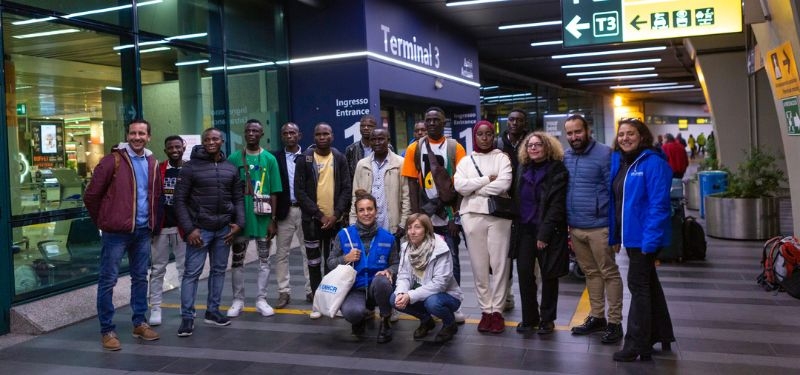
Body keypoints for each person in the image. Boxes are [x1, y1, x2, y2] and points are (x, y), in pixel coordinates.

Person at [84, 119, 162, 351]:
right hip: (115, 233)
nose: (137, 137)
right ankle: (107, 330)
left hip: (141, 231)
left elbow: (154, 196)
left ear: (149, 137)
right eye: (133, 133)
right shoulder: (112, 161)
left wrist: (152, 224)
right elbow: (91, 196)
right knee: (108, 280)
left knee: (140, 278)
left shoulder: (152, 162)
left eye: (142, 133)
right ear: (127, 135)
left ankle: (139, 323)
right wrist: (104, 221)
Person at [609, 118, 675, 362]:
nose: (625, 138)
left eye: (630, 133)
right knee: (648, 285)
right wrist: (616, 235)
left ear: (642, 136)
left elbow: (659, 205)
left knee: (638, 286)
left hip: (646, 238)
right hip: (632, 237)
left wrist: (650, 242)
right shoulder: (622, 162)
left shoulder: (653, 163)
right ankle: (661, 333)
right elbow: (617, 203)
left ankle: (636, 344)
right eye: (621, 134)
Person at [174, 128, 244, 337]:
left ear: (222, 141)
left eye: (215, 139)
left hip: (224, 229)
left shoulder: (230, 168)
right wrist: (189, 230)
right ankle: (187, 317)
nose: (211, 142)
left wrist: (239, 223)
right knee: (191, 274)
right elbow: (179, 201)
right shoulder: (190, 168)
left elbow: (238, 198)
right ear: (202, 142)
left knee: (219, 271)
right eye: (207, 139)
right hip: (200, 231)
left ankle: (213, 312)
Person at [401, 106, 467, 323]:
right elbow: (411, 181)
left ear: (444, 122)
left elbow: (460, 183)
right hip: (426, 215)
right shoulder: (415, 148)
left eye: (436, 120)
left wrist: (455, 216)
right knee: (424, 261)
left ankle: (452, 304)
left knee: (452, 259)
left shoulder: (454, 147)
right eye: (428, 120)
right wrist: (416, 216)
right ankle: (427, 302)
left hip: (448, 216)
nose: (431, 124)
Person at [563, 115, 623, 344]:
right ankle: (597, 317)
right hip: (576, 226)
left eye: (577, 132)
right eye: (569, 133)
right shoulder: (566, 156)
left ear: (588, 130)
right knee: (590, 273)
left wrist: (616, 230)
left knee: (609, 273)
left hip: (601, 227)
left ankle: (615, 322)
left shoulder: (606, 154)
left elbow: (616, 192)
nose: (574, 137)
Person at [454, 120, 513, 333]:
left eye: (489, 134)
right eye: (481, 134)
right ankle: (485, 311)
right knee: (479, 267)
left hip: (498, 217)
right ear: (474, 136)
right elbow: (460, 186)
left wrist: (475, 188)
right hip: (471, 216)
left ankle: (497, 311)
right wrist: (487, 179)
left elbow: (504, 184)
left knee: (499, 265)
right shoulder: (466, 161)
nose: (485, 138)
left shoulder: (502, 158)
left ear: (493, 135)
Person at [510, 131, 569, 335]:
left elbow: (556, 205)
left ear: (547, 148)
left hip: (548, 230)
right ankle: (529, 318)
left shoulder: (557, 169)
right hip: (525, 229)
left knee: (549, 275)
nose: (533, 148)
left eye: (538, 145)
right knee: (525, 273)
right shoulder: (522, 169)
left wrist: (544, 234)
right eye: (530, 145)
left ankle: (547, 319)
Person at [295, 122, 352, 318]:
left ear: (332, 136)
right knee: (313, 263)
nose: (322, 137)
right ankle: (318, 304)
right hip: (312, 222)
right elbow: (299, 192)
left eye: (326, 133)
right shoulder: (304, 159)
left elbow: (346, 188)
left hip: (334, 222)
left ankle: (332, 302)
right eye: (318, 134)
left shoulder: (339, 158)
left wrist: (335, 214)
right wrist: (320, 215)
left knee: (332, 263)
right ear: (313, 137)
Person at [226, 119, 282, 318]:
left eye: (255, 131)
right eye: (248, 130)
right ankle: (238, 300)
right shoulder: (233, 158)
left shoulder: (269, 159)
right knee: (237, 261)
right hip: (241, 218)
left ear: (261, 134)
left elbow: (275, 191)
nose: (251, 133)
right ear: (244, 133)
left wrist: (273, 220)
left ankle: (261, 299)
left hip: (263, 218)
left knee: (264, 260)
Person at [328, 190, 399, 343]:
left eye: (370, 209)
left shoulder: (388, 237)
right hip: (354, 288)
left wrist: (389, 271)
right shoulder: (344, 235)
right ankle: (359, 319)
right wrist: (345, 258)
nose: (366, 213)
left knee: (382, 281)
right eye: (362, 210)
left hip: (377, 288)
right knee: (352, 312)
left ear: (376, 211)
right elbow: (330, 263)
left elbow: (396, 263)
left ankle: (385, 320)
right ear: (356, 213)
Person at [392, 213, 463, 343]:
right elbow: (403, 275)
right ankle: (426, 320)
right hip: (421, 293)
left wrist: (410, 296)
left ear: (427, 230)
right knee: (394, 299)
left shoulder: (440, 249)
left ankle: (449, 323)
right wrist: (402, 293)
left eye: (417, 227)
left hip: (446, 295)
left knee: (433, 303)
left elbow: (439, 284)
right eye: (409, 228)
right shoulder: (406, 247)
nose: (412, 232)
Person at [148, 135, 187, 327]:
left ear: (183, 147)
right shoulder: (158, 169)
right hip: (161, 228)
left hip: (183, 228)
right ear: (165, 150)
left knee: (184, 270)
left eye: (177, 146)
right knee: (157, 270)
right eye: (170, 147)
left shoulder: (190, 169)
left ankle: (185, 305)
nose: (174, 149)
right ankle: (155, 307)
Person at [273, 122, 312, 308]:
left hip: (305, 211)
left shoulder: (309, 156)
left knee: (308, 251)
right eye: (286, 133)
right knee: (281, 254)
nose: (289, 136)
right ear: (282, 136)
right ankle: (283, 292)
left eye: (293, 133)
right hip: (284, 211)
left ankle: (311, 290)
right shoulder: (275, 158)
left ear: (300, 135)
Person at [350, 127, 410, 237]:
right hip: (367, 224)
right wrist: (353, 223)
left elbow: (406, 197)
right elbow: (355, 196)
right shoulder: (362, 164)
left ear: (388, 140)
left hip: (392, 226)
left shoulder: (400, 163)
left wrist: (403, 223)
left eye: (381, 139)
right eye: (373, 139)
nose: (377, 142)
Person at [496, 108, 529, 312]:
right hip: (504, 206)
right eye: (511, 119)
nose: (514, 123)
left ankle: (530, 297)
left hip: (526, 206)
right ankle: (506, 295)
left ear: (524, 123)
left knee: (526, 257)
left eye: (519, 120)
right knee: (503, 254)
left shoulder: (531, 142)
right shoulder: (499, 144)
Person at [344, 115, 392, 181]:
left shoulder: (387, 147)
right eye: (362, 126)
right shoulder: (351, 149)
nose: (365, 128)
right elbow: (347, 175)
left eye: (369, 126)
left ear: (375, 127)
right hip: (360, 186)